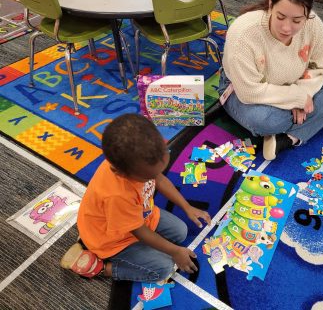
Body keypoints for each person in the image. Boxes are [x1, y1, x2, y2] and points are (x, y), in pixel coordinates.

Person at [60, 113, 211, 281]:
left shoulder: (140, 160)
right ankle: (101, 268)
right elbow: (139, 231)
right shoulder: (117, 194)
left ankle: (104, 243)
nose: (155, 176)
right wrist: (175, 251)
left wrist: (186, 207)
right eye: (148, 176)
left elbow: (159, 178)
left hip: (139, 215)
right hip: (111, 240)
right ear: (122, 173)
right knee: (163, 268)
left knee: (181, 232)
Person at [218, 0, 323, 161]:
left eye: (296, 21)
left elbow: (320, 67)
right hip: (242, 92)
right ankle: (320, 116)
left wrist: (301, 94)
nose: (287, 28)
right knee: (265, 121)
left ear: (307, 14)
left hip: (293, 85)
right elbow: (249, 92)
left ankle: (290, 137)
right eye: (280, 17)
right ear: (270, 5)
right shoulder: (244, 33)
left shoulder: (313, 23)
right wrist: (296, 98)